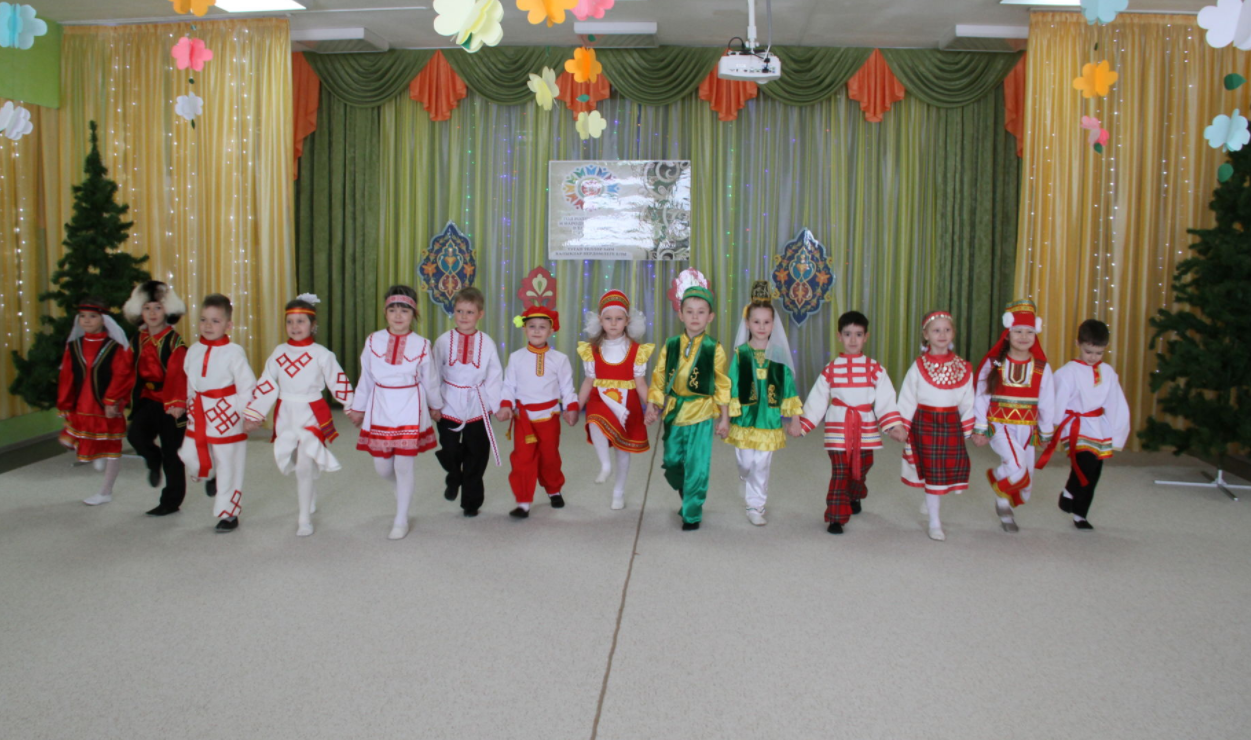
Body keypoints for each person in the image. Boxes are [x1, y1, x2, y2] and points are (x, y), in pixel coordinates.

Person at [244, 295, 354, 536]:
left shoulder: (322, 354)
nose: (295, 327)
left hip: (311, 413)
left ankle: (304, 518)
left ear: (313, 325)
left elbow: (338, 381)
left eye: (301, 321)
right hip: (286, 414)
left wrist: (351, 406)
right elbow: (267, 383)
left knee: (304, 462)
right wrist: (254, 413)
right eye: (290, 322)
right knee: (297, 458)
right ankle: (309, 492)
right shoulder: (279, 352)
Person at [347, 285, 442, 540]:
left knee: (403, 464)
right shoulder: (373, 340)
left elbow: (430, 379)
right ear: (385, 312)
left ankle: (401, 518)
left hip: (410, 404)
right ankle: (400, 490)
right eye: (393, 310)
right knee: (382, 466)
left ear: (414, 314)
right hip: (380, 405)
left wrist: (436, 405)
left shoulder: (422, 344)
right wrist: (358, 407)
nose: (398, 316)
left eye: (405, 310)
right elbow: (366, 377)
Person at [799, 310, 904, 534]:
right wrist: (804, 424)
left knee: (861, 467)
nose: (853, 340)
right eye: (847, 334)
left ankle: (855, 493)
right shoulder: (831, 369)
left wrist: (894, 426)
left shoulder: (875, 369)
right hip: (838, 427)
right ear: (839, 336)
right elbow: (818, 398)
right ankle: (836, 517)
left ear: (866, 337)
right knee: (840, 471)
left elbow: (886, 399)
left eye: (858, 334)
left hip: (865, 427)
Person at [645, 271, 731, 531]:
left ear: (710, 317)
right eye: (690, 312)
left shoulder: (714, 348)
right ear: (681, 314)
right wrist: (653, 404)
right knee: (672, 462)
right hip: (675, 411)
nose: (695, 317)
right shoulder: (671, 345)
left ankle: (692, 512)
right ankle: (686, 494)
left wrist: (724, 418)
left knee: (697, 466)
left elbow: (722, 384)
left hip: (702, 413)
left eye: (701, 312)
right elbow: (660, 376)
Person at [1036, 319, 1131, 530]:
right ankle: (1070, 492)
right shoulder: (1067, 372)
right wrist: (1048, 429)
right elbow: (1055, 401)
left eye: (1098, 353)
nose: (1093, 357)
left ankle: (1080, 514)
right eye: (1088, 352)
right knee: (1085, 464)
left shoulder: (1108, 372)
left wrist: (1117, 431)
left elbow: (1115, 402)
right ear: (1078, 343)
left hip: (1098, 426)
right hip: (1075, 425)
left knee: (1095, 471)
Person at [973, 299, 1057, 533]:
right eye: (1018, 331)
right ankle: (998, 482)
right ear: (1008, 333)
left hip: (1027, 429)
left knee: (1025, 479)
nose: (1023, 336)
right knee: (1017, 467)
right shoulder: (994, 363)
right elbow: (981, 396)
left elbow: (1047, 402)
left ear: (1035, 334)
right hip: (1000, 426)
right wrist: (980, 427)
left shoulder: (1041, 367)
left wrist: (1046, 432)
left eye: (1029, 331)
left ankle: (1003, 501)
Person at [724, 281, 803, 526]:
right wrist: (726, 417)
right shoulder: (741, 354)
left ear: (773, 324)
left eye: (766, 322)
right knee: (746, 462)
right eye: (756, 322)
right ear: (748, 324)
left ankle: (755, 506)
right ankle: (744, 477)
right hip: (745, 418)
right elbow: (731, 385)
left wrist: (795, 419)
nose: (761, 327)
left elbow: (788, 388)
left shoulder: (778, 356)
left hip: (768, 419)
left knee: (762, 463)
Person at [177, 294, 257, 532]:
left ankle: (229, 514)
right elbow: (189, 381)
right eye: (203, 320)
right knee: (188, 454)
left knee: (228, 464)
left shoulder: (234, 352)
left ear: (228, 325)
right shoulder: (193, 350)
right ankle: (209, 473)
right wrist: (187, 404)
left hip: (227, 416)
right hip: (199, 413)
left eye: (215, 321)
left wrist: (248, 414)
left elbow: (247, 385)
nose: (208, 326)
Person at [896, 311, 976, 541]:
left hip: (951, 425)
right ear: (926, 335)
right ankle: (934, 521)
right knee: (931, 470)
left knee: (944, 469)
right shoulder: (918, 366)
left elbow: (968, 399)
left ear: (953, 333)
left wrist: (970, 428)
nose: (942, 334)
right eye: (936, 330)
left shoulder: (963, 367)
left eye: (947, 330)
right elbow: (908, 397)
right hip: (925, 424)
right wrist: (901, 425)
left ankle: (931, 498)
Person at [497, 306, 579, 518]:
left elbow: (567, 387)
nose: (536, 331)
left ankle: (554, 490)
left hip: (549, 417)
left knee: (549, 457)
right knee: (522, 459)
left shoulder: (559, 359)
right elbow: (509, 385)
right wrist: (505, 404)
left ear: (551, 330)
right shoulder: (516, 357)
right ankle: (523, 501)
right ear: (524, 329)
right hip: (523, 418)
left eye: (542, 327)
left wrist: (571, 407)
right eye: (532, 326)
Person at [576, 289, 654, 510]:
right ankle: (605, 465)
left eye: (619, 319)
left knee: (623, 449)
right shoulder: (592, 350)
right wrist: (575, 407)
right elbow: (588, 381)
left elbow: (640, 383)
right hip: (599, 399)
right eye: (608, 318)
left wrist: (650, 405)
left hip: (627, 403)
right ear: (600, 321)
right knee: (594, 421)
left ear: (627, 321)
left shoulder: (636, 350)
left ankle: (618, 491)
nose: (613, 323)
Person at [56, 297, 135, 506]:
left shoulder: (114, 348)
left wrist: (113, 400)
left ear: (104, 320)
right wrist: (65, 403)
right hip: (82, 405)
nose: (86, 320)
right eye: (82, 316)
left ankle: (106, 491)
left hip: (105, 405)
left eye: (92, 316)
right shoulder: (74, 346)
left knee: (112, 447)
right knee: (70, 439)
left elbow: (122, 375)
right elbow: (67, 376)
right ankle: (96, 454)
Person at [434, 287, 503, 518]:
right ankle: (454, 476)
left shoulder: (487, 343)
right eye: (459, 311)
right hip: (449, 401)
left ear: (480, 314)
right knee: (450, 448)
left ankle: (471, 502)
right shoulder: (443, 341)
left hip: (478, 404)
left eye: (470, 312)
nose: (464, 316)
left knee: (477, 453)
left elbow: (494, 376)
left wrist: (497, 405)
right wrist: (433, 404)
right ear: (453, 311)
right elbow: (433, 373)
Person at [123, 281, 190, 517]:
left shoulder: (174, 342)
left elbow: (178, 375)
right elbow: (125, 370)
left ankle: (171, 501)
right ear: (139, 311)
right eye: (147, 308)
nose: (152, 313)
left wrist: (177, 404)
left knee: (173, 454)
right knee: (135, 435)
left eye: (158, 308)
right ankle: (153, 459)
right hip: (148, 399)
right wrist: (114, 398)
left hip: (172, 404)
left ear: (167, 310)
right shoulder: (138, 340)